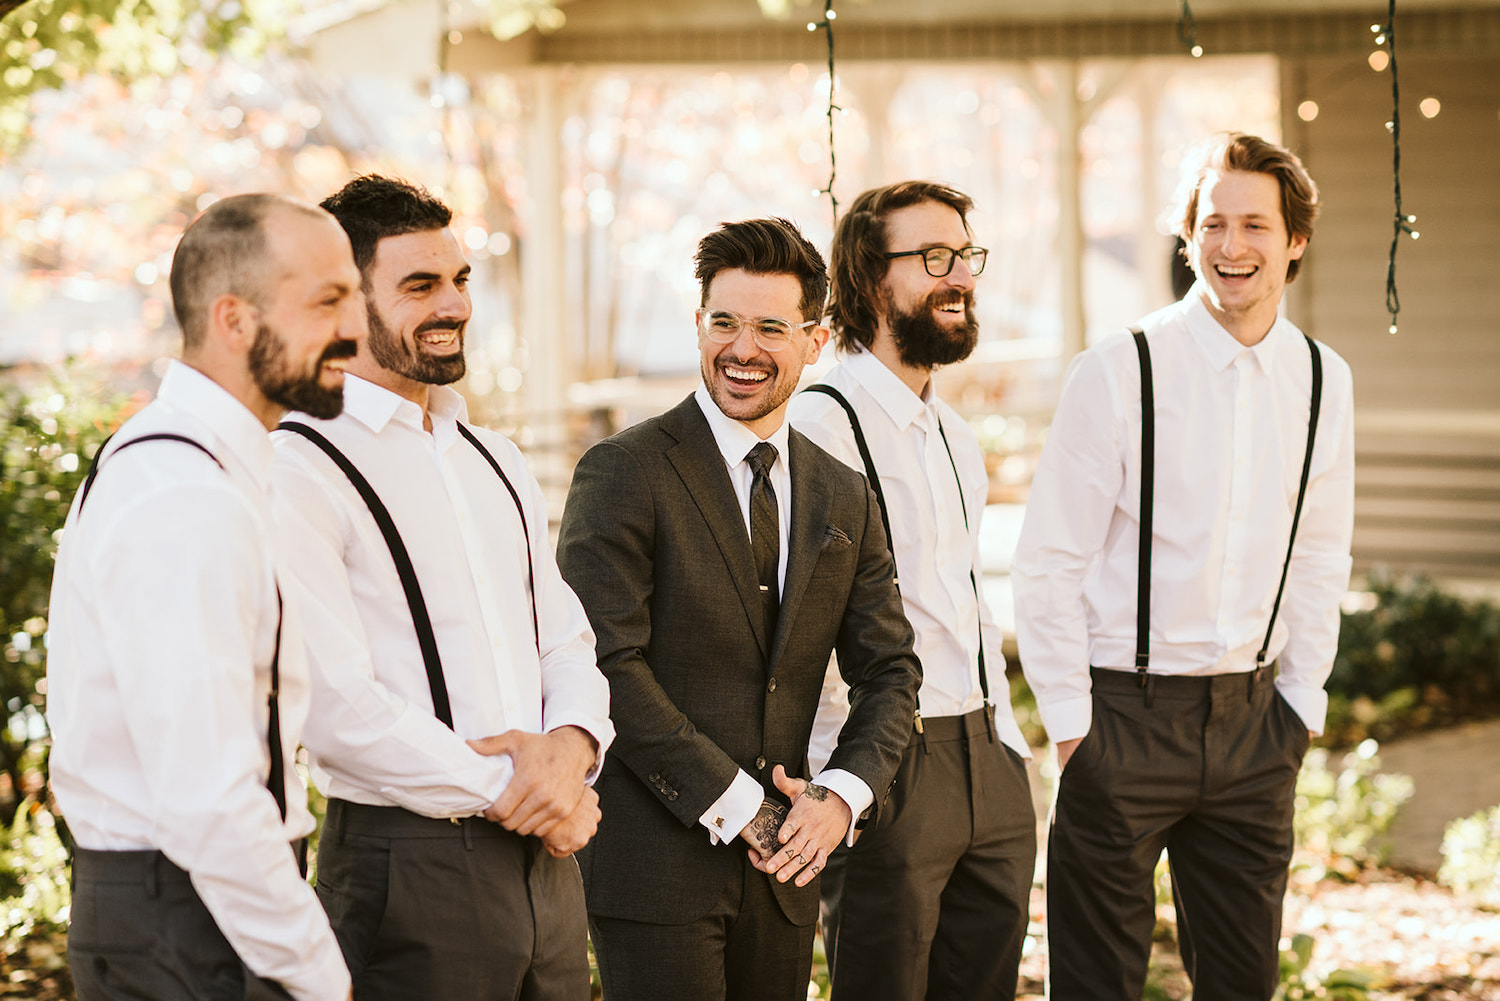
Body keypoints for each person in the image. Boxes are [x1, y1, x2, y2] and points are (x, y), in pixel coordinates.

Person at [1013, 132, 1354, 1000]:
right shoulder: (1119, 370)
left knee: (1242, 982)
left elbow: (1319, 551)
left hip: (1254, 724)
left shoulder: (1323, 380)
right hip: (1121, 719)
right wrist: (1071, 725)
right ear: (1187, 234)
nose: (1231, 247)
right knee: (1097, 984)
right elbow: (1048, 558)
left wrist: (1300, 706)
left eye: (1254, 226)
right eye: (1212, 224)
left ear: (1296, 240)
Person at [556, 216, 922, 1001]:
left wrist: (839, 798)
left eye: (769, 327)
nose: (742, 348)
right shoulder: (622, 472)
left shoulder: (844, 493)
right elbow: (604, 663)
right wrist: (742, 806)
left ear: (815, 341)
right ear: (697, 324)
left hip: (787, 874)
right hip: (655, 874)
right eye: (724, 322)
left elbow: (890, 669)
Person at [269, 175, 613, 1001]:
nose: (453, 305)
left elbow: (564, 638)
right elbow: (336, 707)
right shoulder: (298, 464)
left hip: (548, 868)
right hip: (405, 866)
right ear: (345, 305)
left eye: (460, 280)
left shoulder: (493, 456)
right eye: (419, 286)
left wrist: (573, 749)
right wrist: (528, 794)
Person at [47, 193, 362, 1000]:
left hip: (192, 911)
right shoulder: (185, 493)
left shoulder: (210, 469)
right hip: (183, 925)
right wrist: (321, 974)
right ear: (235, 319)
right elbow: (208, 798)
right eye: (327, 300)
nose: (354, 329)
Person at [787, 180, 1036, 1001]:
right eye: (933, 257)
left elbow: (964, 599)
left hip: (987, 764)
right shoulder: (817, 426)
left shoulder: (954, 434)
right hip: (887, 772)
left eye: (966, 255)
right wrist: (848, 775)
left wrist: (1009, 754)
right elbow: (797, 623)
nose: (959, 275)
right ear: (867, 280)